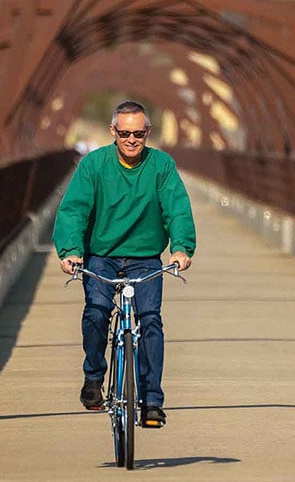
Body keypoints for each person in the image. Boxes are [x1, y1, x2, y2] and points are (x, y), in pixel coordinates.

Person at [53, 100, 195, 428]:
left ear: (148, 132)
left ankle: (153, 401)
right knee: (96, 311)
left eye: (139, 134)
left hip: (145, 258)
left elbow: (177, 208)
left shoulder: (161, 165)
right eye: (125, 133)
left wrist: (181, 248)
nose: (132, 140)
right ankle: (93, 378)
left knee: (151, 321)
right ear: (113, 132)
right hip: (101, 255)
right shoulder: (94, 165)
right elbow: (74, 209)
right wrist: (71, 250)